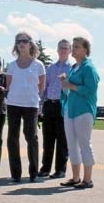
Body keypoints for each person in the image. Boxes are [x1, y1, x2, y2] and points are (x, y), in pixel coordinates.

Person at [59, 37, 100, 189]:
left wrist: (71, 85)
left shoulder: (89, 68)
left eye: (77, 47)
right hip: (70, 110)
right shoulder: (73, 67)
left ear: (85, 50)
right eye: (73, 46)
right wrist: (65, 83)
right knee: (71, 145)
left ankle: (87, 179)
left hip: (83, 111)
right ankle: (75, 177)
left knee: (84, 144)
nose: (73, 49)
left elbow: (91, 90)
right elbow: (68, 89)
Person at [5, 31, 46, 182]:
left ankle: (33, 172)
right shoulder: (11, 65)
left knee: (31, 136)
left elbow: (41, 86)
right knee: (12, 138)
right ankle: (15, 173)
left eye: (24, 41)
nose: (21, 44)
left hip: (31, 105)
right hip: (13, 104)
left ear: (30, 44)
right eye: (18, 41)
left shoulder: (38, 65)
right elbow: (8, 85)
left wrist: (34, 97)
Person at [39, 39, 72, 178]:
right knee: (48, 139)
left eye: (66, 48)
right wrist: (40, 106)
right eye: (61, 48)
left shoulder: (73, 68)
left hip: (63, 106)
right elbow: (44, 88)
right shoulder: (50, 68)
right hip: (49, 105)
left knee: (62, 140)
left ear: (70, 51)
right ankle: (45, 168)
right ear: (57, 50)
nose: (63, 50)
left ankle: (60, 170)